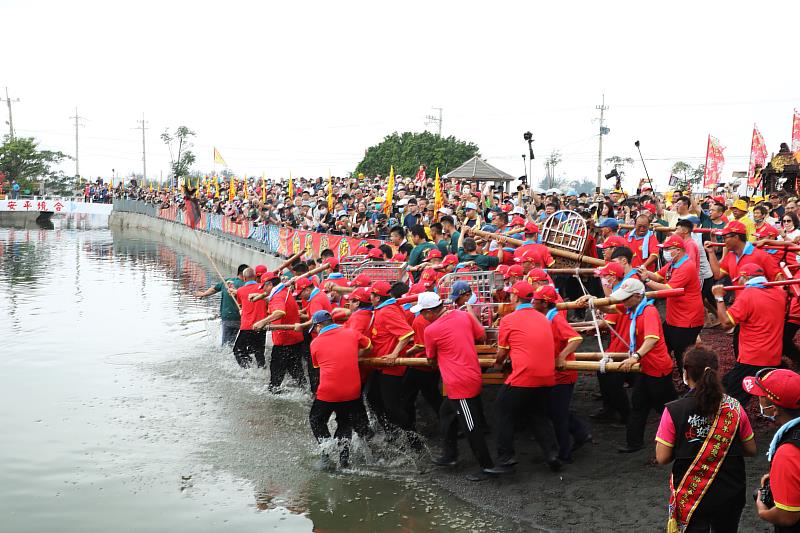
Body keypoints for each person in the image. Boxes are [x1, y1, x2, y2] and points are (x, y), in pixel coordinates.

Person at [656, 346, 757, 533]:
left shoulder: (673, 410)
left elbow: (662, 457)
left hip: (691, 493)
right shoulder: (735, 407)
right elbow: (751, 449)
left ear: (686, 372)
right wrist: (723, 447)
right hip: (730, 489)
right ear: (717, 372)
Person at [416, 292, 508, 481]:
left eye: (423, 313)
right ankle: (450, 455)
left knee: (471, 426)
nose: (422, 317)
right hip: (469, 375)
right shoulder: (462, 315)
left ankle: (487, 466)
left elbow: (431, 358)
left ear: (429, 312)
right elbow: (481, 334)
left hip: (459, 383)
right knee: (446, 413)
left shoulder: (431, 330)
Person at [581, 278, 677, 453]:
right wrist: (593, 301)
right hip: (644, 367)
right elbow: (610, 308)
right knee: (639, 404)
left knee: (667, 407)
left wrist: (635, 356)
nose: (623, 301)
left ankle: (685, 433)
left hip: (658, 368)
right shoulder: (632, 308)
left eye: (626, 298)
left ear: (638, 296)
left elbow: (652, 339)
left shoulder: (648, 311)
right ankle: (634, 443)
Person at [493, 281, 562, 470]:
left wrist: (497, 363)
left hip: (524, 376)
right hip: (547, 376)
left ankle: (505, 458)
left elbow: (501, 352)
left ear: (515, 297)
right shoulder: (543, 318)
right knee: (537, 414)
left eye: (511, 295)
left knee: (502, 411)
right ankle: (552, 455)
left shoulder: (508, 320)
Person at [710, 263, 786, 406]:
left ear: (745, 278)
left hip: (752, 358)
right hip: (773, 356)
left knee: (733, 400)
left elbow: (726, 323)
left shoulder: (748, 295)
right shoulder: (780, 293)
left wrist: (719, 298)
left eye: (739, 279)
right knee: (726, 384)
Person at [533, 284, 591, 463]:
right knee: (555, 411)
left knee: (557, 414)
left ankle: (565, 454)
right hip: (554, 374)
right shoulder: (546, 317)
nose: (532, 302)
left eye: (536, 300)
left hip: (563, 375)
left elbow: (576, 338)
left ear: (544, 303)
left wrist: (561, 356)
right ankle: (580, 432)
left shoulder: (556, 319)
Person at [308, 310, 373, 469]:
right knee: (344, 423)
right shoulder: (351, 332)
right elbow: (369, 346)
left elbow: (317, 366)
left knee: (316, 419)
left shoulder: (315, 343)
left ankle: (326, 452)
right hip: (352, 390)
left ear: (319, 326)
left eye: (315, 328)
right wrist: (355, 355)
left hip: (329, 391)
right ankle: (344, 461)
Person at [639, 235, 705, 373]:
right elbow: (658, 276)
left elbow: (668, 290)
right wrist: (645, 272)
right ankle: (664, 374)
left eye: (668, 249)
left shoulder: (686, 266)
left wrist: (647, 281)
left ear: (678, 250)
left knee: (683, 356)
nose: (665, 252)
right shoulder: (673, 264)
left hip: (687, 319)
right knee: (664, 347)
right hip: (674, 318)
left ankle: (690, 381)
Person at [746, 369, 800, 531]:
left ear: (774, 409)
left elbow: (787, 516)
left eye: (761, 396)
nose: (757, 398)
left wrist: (762, 510)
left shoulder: (788, 452)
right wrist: (782, 476)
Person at [369, 280, 415, 438]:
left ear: (377, 298)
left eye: (371, 295)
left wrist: (394, 354)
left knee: (391, 406)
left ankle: (412, 437)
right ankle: (391, 431)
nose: (369, 297)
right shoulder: (384, 308)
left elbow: (407, 334)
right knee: (373, 398)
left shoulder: (387, 311)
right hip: (381, 364)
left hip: (391, 366)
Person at [253, 271, 307, 392]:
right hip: (295, 339)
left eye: (264, 287)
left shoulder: (277, 297)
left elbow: (279, 312)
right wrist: (259, 296)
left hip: (284, 341)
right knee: (296, 371)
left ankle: (273, 393)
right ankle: (306, 393)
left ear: (270, 284)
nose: (263, 290)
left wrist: (263, 322)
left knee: (276, 375)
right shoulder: (284, 291)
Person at [194, 263, 248, 345]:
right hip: (239, 317)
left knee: (225, 342)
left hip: (226, 316)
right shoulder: (245, 285)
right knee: (234, 342)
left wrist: (203, 294)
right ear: (244, 274)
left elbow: (214, 289)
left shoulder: (226, 281)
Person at [232, 268, 268, 368]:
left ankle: (247, 369)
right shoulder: (263, 289)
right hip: (261, 325)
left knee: (238, 350)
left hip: (247, 326)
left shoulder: (240, 290)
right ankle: (262, 369)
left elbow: (241, 304)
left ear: (244, 278)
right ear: (255, 277)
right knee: (259, 352)